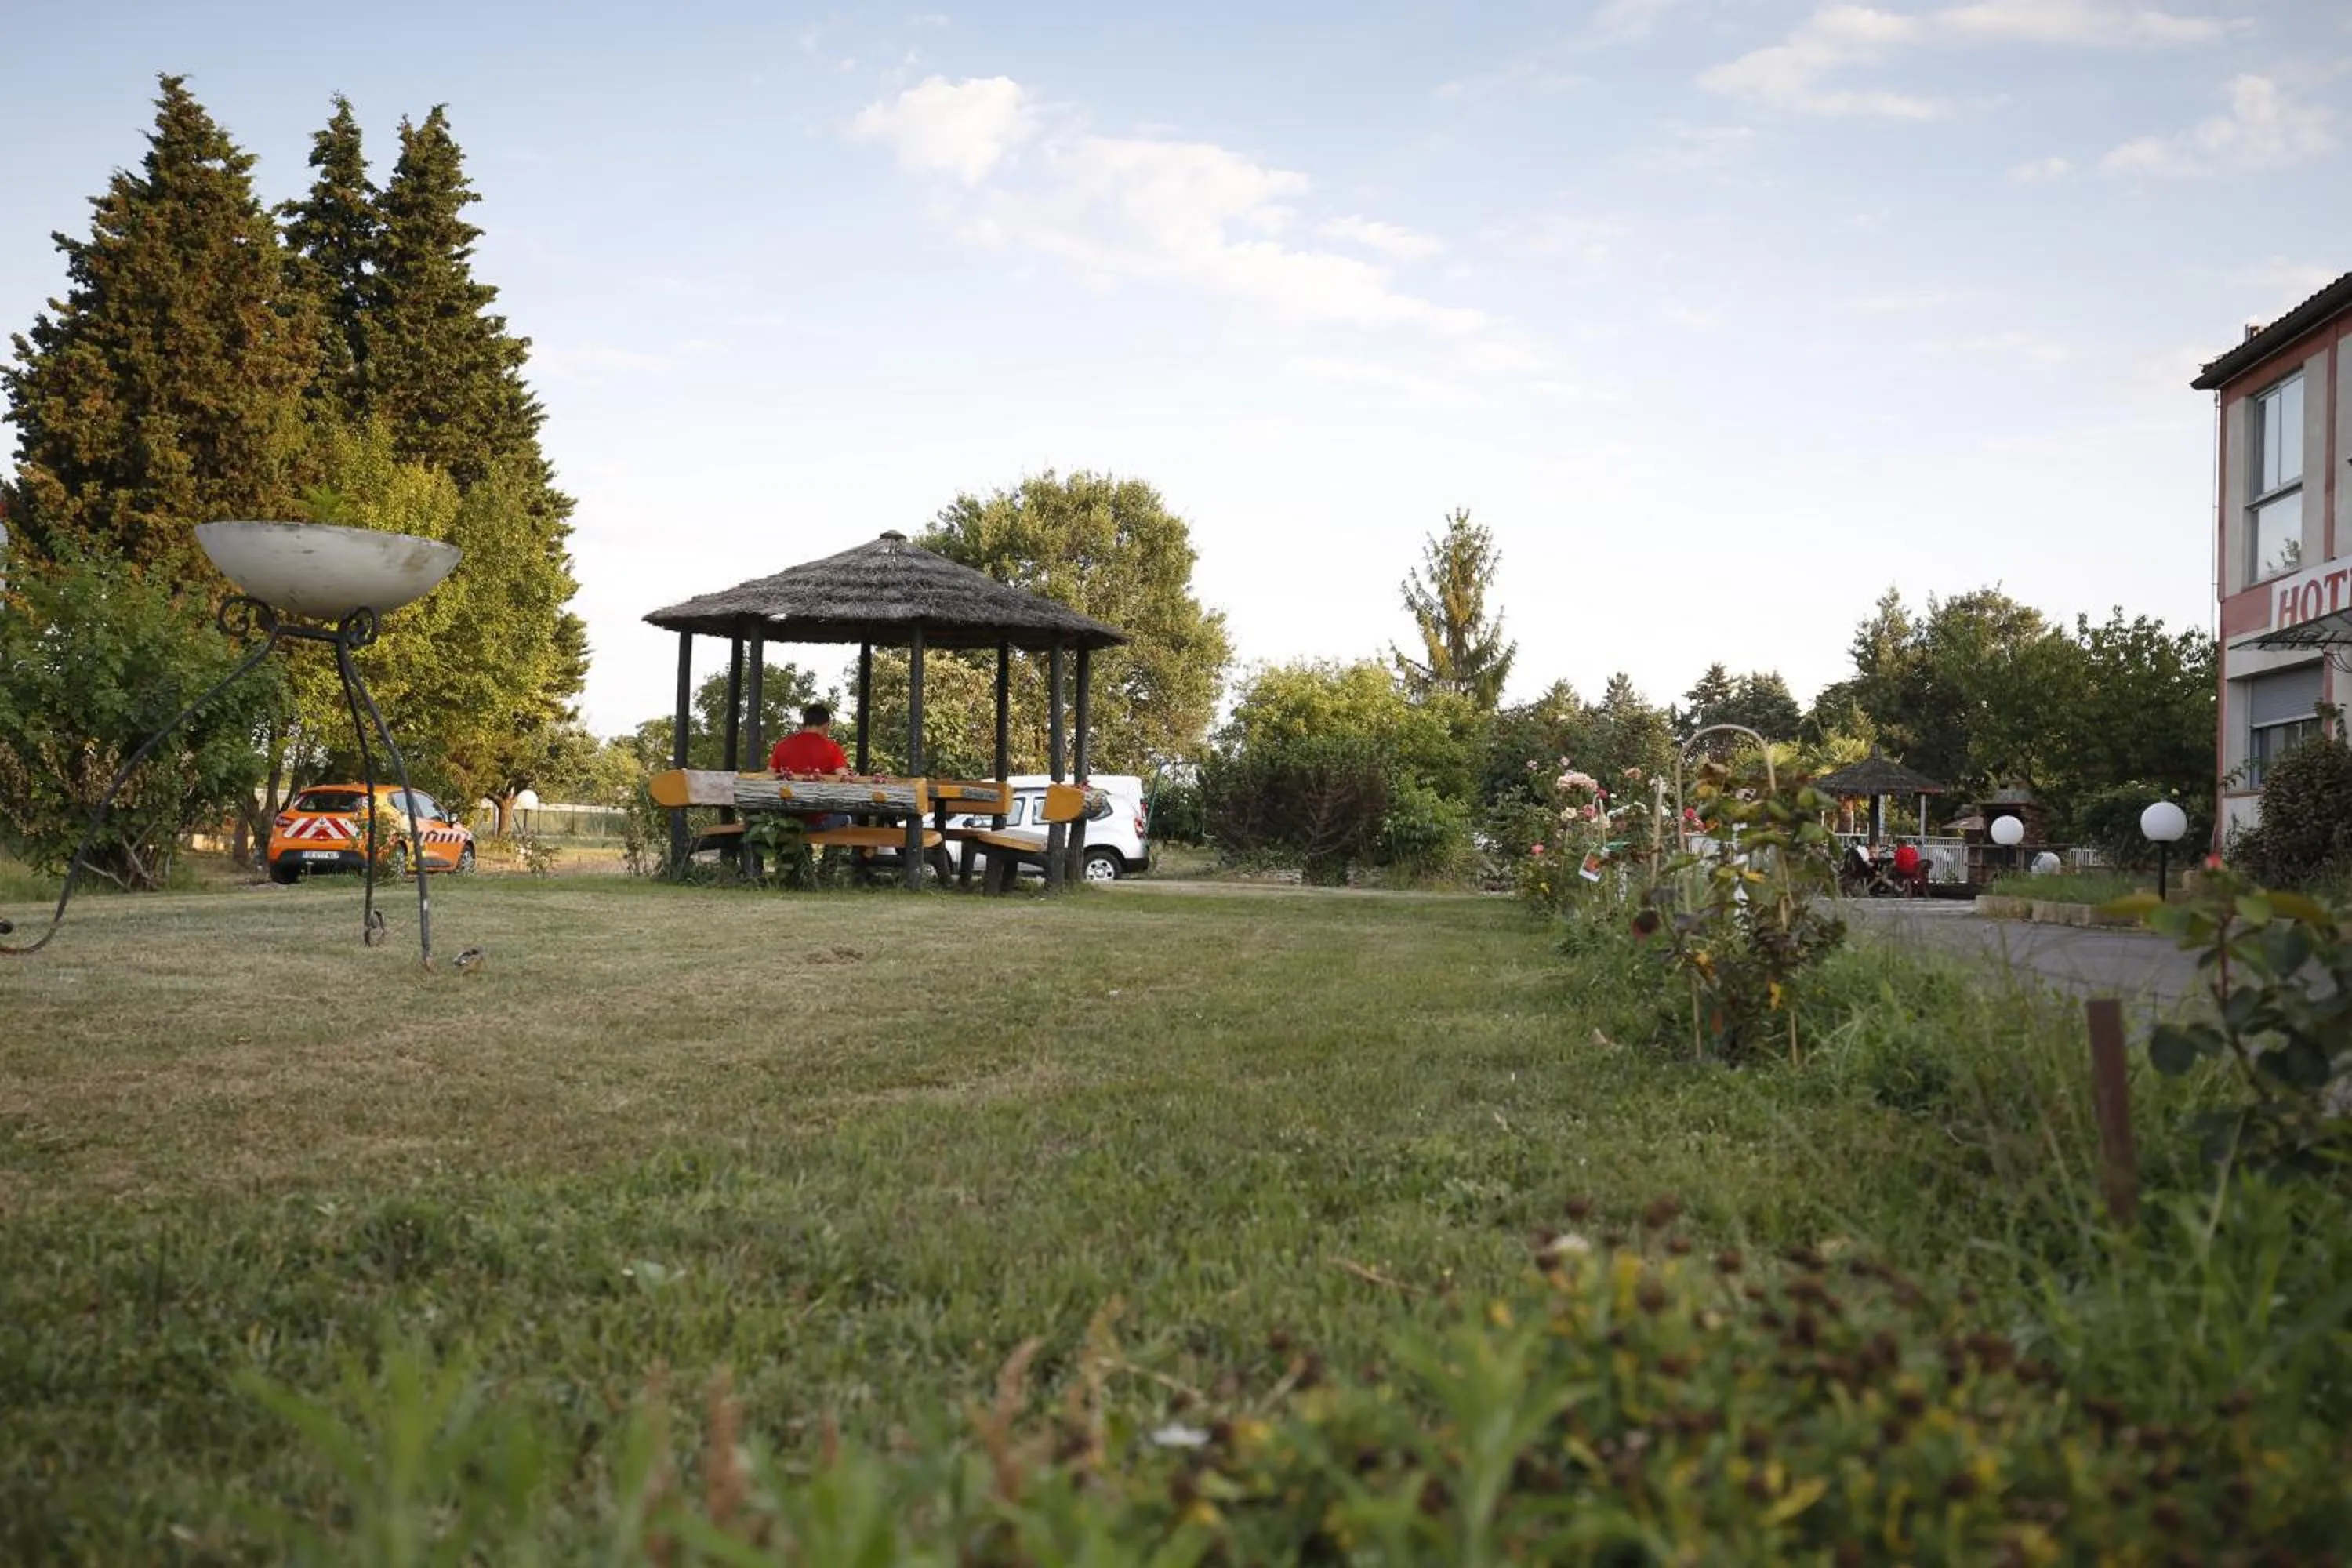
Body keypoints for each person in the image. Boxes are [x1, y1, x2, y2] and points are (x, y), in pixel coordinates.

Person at [767, 703, 851, 831]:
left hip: (787, 822)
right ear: (826, 726)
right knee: (851, 817)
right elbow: (845, 779)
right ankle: (832, 851)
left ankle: (805, 850)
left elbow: (768, 777)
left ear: (805, 723)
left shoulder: (782, 745)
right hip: (818, 822)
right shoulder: (832, 748)